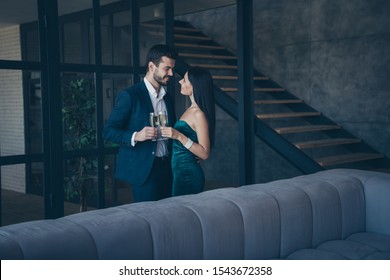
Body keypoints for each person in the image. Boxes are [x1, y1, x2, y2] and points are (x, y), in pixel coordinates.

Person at [103, 44, 177, 202]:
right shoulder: (130, 95)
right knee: (150, 219)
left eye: (172, 69)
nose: (171, 73)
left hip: (168, 168)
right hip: (144, 170)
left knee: (168, 216)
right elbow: (108, 131)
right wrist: (136, 135)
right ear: (151, 66)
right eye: (167, 69)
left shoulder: (168, 99)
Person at [160, 67, 215, 196]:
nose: (180, 82)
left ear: (194, 86)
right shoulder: (190, 109)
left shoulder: (198, 114)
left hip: (188, 175)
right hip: (180, 172)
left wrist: (178, 135)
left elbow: (204, 153)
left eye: (184, 80)